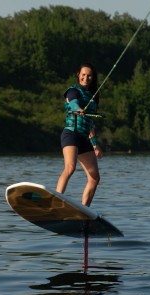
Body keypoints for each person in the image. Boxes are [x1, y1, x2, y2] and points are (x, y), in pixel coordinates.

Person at [56, 63, 104, 207]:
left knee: (94, 177)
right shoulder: (73, 91)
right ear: (78, 75)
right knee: (70, 167)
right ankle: (56, 200)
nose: (86, 78)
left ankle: (84, 211)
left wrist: (95, 144)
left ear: (92, 77)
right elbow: (73, 104)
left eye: (89, 75)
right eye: (83, 75)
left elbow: (89, 124)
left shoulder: (93, 96)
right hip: (71, 133)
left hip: (84, 138)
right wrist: (78, 109)